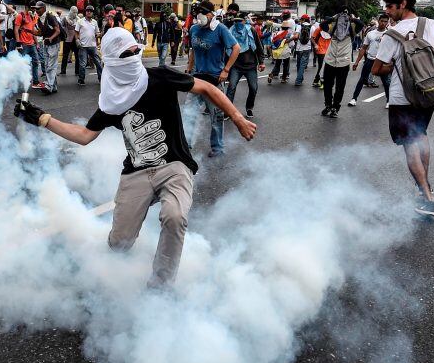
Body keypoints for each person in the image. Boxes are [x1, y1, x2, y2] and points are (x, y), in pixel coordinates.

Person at [13, 27, 256, 288]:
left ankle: (160, 287)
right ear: (111, 61)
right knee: (119, 244)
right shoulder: (111, 102)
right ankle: (111, 267)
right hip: (136, 172)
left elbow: (207, 87)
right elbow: (84, 135)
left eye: (134, 51)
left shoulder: (160, 77)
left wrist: (238, 118)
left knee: (174, 216)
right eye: (125, 54)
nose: (132, 57)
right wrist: (43, 119)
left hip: (174, 164)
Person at [372, 0, 434, 218]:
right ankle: (425, 186)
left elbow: (377, 69)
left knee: (409, 144)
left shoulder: (392, 34)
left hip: (401, 97)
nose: (387, 11)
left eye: (390, 7)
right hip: (428, 92)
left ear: (402, 4)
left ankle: (427, 196)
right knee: (420, 136)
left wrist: (396, 64)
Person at [186, 0, 241, 157]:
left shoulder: (220, 29)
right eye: (196, 14)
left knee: (216, 117)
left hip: (214, 80)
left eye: (202, 14)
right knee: (188, 114)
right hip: (196, 79)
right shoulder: (194, 29)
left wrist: (226, 70)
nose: (199, 17)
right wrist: (189, 68)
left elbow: (236, 48)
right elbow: (193, 50)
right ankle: (186, 146)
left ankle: (217, 149)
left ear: (210, 14)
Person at [319, 9, 365, 117]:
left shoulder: (352, 28)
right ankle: (328, 105)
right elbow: (322, 25)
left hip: (344, 61)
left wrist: (351, 18)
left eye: (345, 17)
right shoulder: (333, 27)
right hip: (330, 59)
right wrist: (334, 18)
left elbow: (361, 24)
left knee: (340, 86)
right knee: (327, 85)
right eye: (341, 17)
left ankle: (335, 108)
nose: (342, 21)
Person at [225, 5, 265, 119]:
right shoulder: (230, 31)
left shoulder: (251, 30)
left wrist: (261, 62)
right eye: (236, 21)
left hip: (251, 66)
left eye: (240, 21)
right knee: (231, 87)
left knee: (253, 88)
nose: (238, 23)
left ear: (245, 21)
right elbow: (226, 49)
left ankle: (249, 108)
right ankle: (228, 111)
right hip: (236, 66)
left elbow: (258, 46)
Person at [349, 14, 391, 107]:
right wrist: (356, 62)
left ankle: (388, 101)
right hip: (370, 60)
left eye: (385, 21)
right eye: (382, 21)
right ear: (378, 21)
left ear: (387, 23)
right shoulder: (370, 33)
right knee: (362, 79)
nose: (383, 23)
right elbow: (363, 48)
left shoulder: (389, 34)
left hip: (382, 61)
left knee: (386, 82)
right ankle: (354, 99)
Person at [33, 0, 61, 95]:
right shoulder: (39, 19)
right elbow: (40, 32)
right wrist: (28, 31)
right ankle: (54, 87)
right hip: (46, 44)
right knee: (47, 65)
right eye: (36, 9)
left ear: (44, 8)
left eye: (38, 9)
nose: (37, 11)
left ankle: (49, 85)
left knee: (51, 66)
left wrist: (51, 38)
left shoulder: (50, 17)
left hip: (54, 44)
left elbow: (57, 31)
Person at [14, 1, 41, 88]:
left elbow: (33, 30)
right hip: (23, 44)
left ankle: (35, 82)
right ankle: (16, 81)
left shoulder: (35, 16)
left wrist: (36, 43)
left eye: (35, 8)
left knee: (36, 62)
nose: (33, 10)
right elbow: (16, 29)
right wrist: (18, 43)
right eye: (31, 7)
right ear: (26, 7)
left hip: (32, 44)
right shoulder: (20, 16)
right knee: (23, 65)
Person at [75, 4, 102, 86]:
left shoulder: (95, 22)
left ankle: (101, 79)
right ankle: (81, 79)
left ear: (92, 13)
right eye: (88, 11)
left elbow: (97, 32)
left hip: (93, 46)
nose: (89, 12)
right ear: (85, 12)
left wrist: (99, 35)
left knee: (98, 63)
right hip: (83, 46)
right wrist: (77, 40)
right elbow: (76, 32)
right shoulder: (80, 21)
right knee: (83, 64)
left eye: (91, 11)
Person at [292, 14, 313, 85]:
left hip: (299, 48)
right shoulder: (311, 27)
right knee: (303, 65)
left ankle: (299, 80)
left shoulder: (299, 26)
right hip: (307, 48)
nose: (300, 20)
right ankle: (299, 79)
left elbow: (296, 36)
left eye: (301, 19)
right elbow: (312, 38)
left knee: (299, 64)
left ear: (303, 20)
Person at [60, 6, 80, 76]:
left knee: (77, 56)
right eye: (74, 12)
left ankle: (77, 71)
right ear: (71, 11)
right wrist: (63, 34)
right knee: (65, 56)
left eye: (76, 12)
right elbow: (61, 26)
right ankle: (63, 71)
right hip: (67, 39)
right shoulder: (65, 18)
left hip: (75, 39)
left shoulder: (78, 19)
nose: (75, 14)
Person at [311, 22, 331, 88]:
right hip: (320, 50)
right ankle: (319, 81)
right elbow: (312, 38)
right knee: (321, 66)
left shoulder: (331, 29)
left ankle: (317, 81)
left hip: (329, 51)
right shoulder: (318, 29)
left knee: (324, 67)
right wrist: (315, 45)